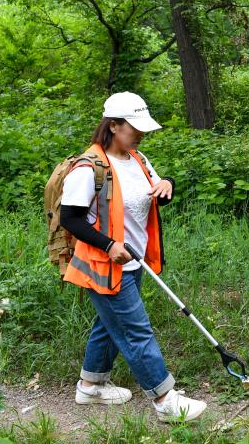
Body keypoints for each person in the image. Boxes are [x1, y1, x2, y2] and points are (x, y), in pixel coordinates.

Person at [60, 92, 206, 422]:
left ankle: (90, 386)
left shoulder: (137, 159)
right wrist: (109, 244)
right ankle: (166, 400)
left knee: (111, 323)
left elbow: (155, 195)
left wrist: (166, 185)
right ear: (112, 126)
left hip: (135, 262)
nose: (140, 134)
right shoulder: (89, 168)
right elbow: (70, 218)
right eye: (133, 128)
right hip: (104, 264)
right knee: (135, 331)